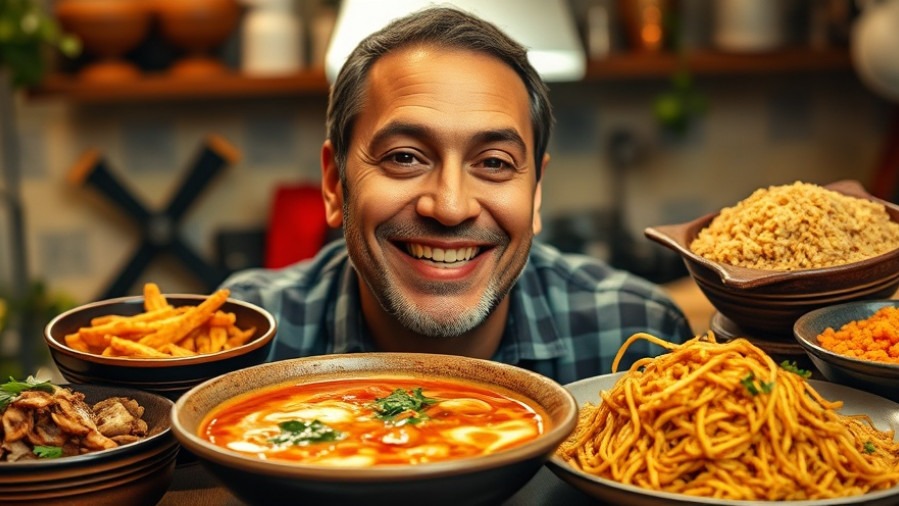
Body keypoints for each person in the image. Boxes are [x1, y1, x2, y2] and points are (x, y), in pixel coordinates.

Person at [222, 6, 693, 384]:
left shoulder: (640, 340)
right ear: (334, 184)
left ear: (536, 194)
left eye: (493, 163)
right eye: (405, 157)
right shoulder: (233, 342)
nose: (449, 208)